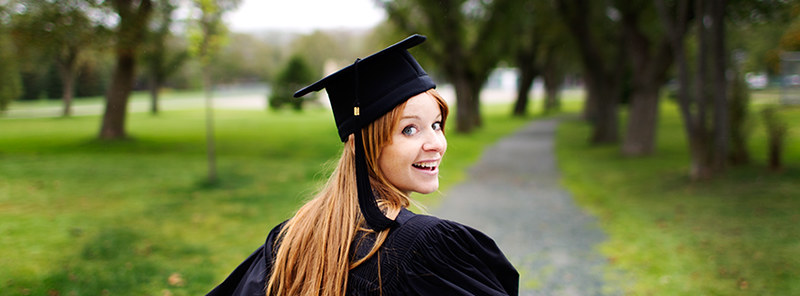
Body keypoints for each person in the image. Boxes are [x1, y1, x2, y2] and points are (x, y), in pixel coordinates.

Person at [207, 34, 518, 296]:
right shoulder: (423, 249)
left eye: (436, 124)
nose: (436, 143)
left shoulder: (291, 237)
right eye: (409, 129)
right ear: (360, 146)